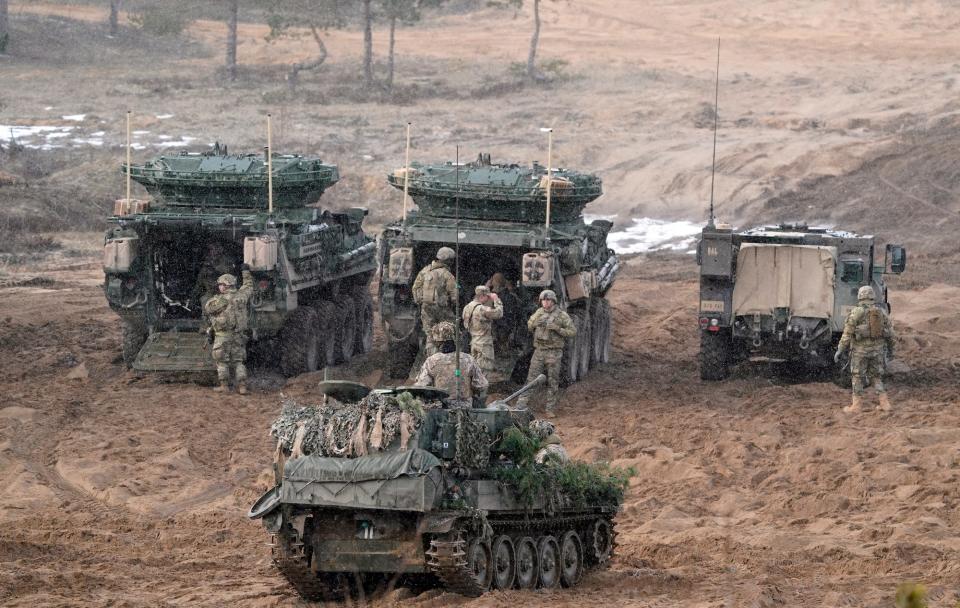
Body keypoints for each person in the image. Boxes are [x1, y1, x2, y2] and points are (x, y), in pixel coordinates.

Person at [835, 285, 896, 413]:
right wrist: (891, 350)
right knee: (876, 376)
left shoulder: (856, 312)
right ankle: (885, 403)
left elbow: (847, 333)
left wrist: (840, 349)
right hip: (877, 351)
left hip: (860, 352)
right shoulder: (881, 312)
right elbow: (890, 334)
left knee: (857, 376)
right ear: (872, 296)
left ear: (860, 296)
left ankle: (856, 406)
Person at [516, 290, 576, 412]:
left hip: (554, 352)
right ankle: (521, 404)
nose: (545, 302)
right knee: (531, 379)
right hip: (539, 351)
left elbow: (572, 331)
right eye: (543, 300)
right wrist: (534, 323)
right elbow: (529, 325)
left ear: (553, 301)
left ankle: (550, 408)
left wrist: (558, 329)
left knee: (553, 381)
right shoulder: (539, 312)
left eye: (547, 300)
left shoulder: (562, 315)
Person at [204, 265, 254, 394]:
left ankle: (224, 386)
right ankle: (242, 387)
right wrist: (245, 272)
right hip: (238, 335)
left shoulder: (218, 301)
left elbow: (208, 309)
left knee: (221, 361)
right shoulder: (242, 296)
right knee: (238, 361)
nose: (219, 286)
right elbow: (248, 285)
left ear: (225, 286)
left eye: (221, 284)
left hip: (223, 336)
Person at [415, 321, 488, 409]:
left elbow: (422, 387)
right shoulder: (468, 359)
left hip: (441, 410)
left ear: (437, 342)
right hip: (465, 410)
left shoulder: (431, 361)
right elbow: (481, 386)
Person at [412, 247, 458, 356]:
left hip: (426, 308)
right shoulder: (447, 274)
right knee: (449, 330)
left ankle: (431, 355)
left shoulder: (425, 271)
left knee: (430, 333)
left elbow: (415, 288)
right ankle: (448, 354)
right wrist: (455, 305)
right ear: (448, 260)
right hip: (442, 309)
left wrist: (420, 301)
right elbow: (455, 295)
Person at [462, 285, 503, 376]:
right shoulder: (482, 309)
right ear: (482, 296)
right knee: (484, 371)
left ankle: (473, 388)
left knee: (474, 369)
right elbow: (499, 313)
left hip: (474, 341)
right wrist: (496, 300)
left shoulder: (467, 308)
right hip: (484, 344)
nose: (489, 299)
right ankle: (481, 389)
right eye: (487, 297)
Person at [194, 242, 236, 306]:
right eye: (210, 250)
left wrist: (214, 271)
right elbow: (200, 282)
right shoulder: (208, 261)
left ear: (219, 250)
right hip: (212, 291)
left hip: (225, 290)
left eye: (214, 249)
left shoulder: (226, 261)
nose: (212, 252)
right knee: (205, 299)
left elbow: (229, 275)